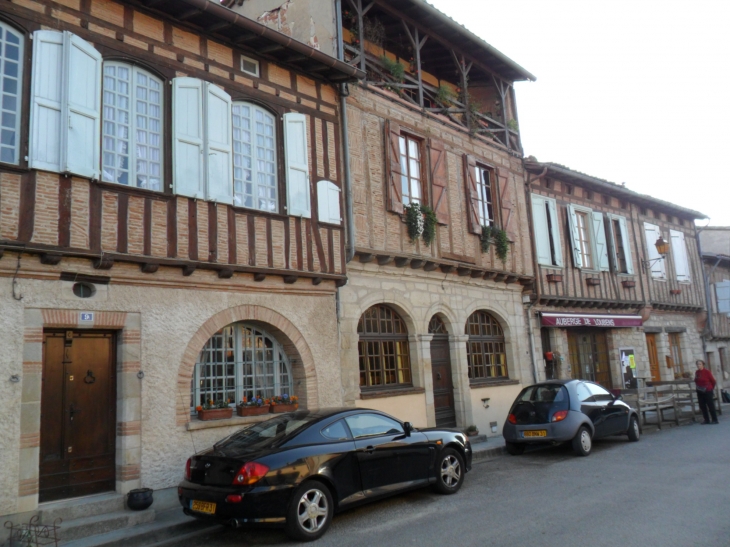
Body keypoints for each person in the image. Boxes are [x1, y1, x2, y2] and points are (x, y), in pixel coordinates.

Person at [694, 360, 718, 425]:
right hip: (700, 391)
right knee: (702, 405)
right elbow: (696, 380)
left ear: (703, 365)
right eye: (697, 364)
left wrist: (710, 388)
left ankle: (714, 419)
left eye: (700, 364)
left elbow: (713, 381)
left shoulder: (707, 372)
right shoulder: (697, 372)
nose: (698, 365)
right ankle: (706, 419)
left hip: (708, 390)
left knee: (710, 405)